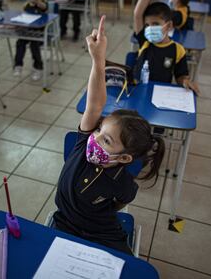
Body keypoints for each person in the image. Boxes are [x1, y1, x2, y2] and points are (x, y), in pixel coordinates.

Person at [54, 15, 165, 255]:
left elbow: (121, 202)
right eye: (99, 130)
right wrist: (98, 60)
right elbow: (94, 105)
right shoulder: (84, 143)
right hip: (64, 222)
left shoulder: (121, 180)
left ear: (124, 158)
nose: (95, 137)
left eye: (106, 140)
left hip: (101, 232)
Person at [133, 0, 199, 94]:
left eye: (155, 24)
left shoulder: (178, 50)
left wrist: (185, 81)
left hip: (161, 94)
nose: (150, 28)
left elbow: (181, 76)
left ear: (169, 26)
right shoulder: (145, 42)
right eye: (147, 25)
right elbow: (137, 14)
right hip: (140, 92)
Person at [13, 0, 47, 80]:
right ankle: (18, 65)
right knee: (20, 42)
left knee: (34, 45)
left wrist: (37, 1)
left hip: (39, 32)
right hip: (27, 31)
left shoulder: (42, 3)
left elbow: (44, 7)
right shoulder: (26, 5)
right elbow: (23, 17)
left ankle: (38, 67)